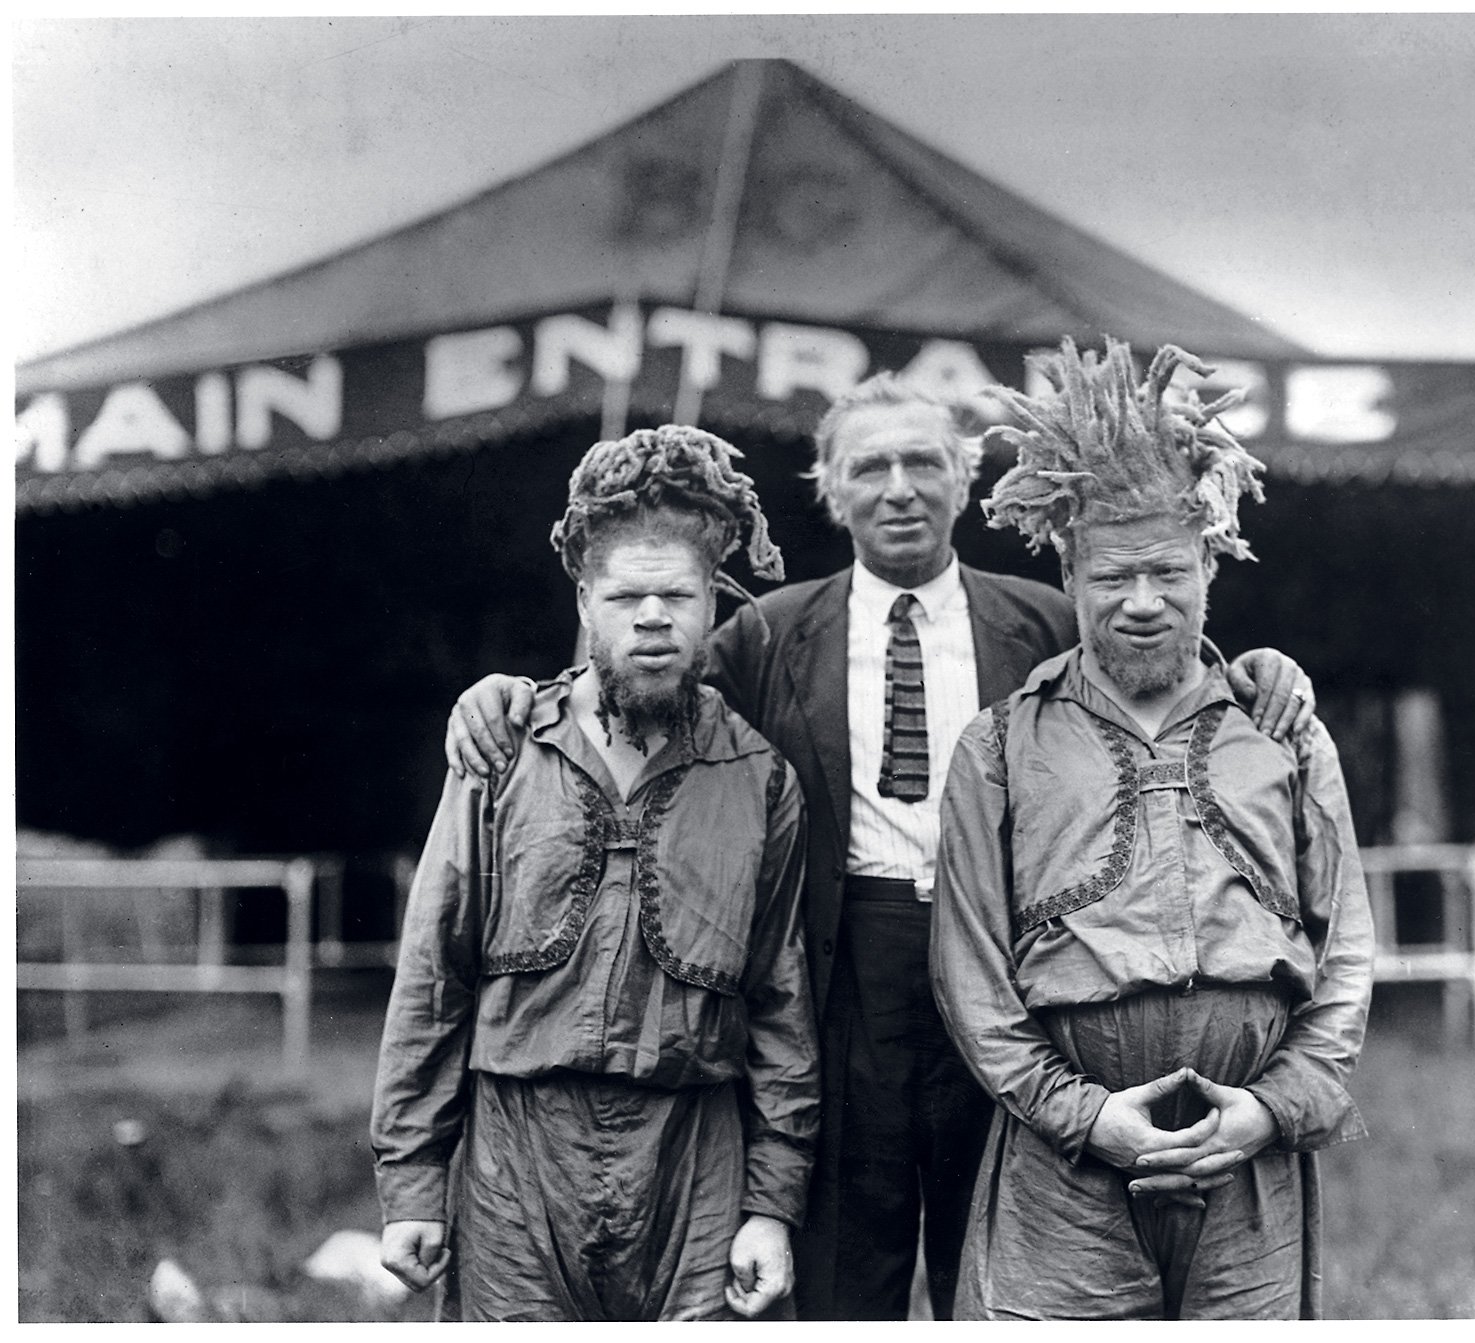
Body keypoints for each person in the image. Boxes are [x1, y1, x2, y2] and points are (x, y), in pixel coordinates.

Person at [442, 374, 1318, 1320]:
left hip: (1009, 966)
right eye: (870, 466)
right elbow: (652, 675)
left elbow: (1154, 660)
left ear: (964, 475)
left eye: (923, 462)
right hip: (843, 968)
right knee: (842, 1263)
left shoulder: (1040, 620)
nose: (898, 487)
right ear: (830, 488)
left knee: (990, 1241)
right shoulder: (769, 633)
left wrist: (1262, 669)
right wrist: (515, 693)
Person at [930, 338, 1374, 1320]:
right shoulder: (997, 748)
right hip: (1062, 1176)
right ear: (1068, 570)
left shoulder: (1283, 731)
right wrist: (1085, 1115)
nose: (1140, 603)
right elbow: (969, 978)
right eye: (1110, 577)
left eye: (1167, 572)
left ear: (1211, 560)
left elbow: (1343, 954)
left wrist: (1272, 1106)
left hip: (1247, 1176)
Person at [370, 425, 819, 1322]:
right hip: (516, 1162)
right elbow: (433, 975)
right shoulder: (499, 755)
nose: (652, 618)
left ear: (712, 604)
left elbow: (781, 1003)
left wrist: (771, 1202)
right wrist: (413, 1179)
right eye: (626, 596)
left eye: (676, 596)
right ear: (584, 598)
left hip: (693, 1161)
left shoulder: (760, 778)